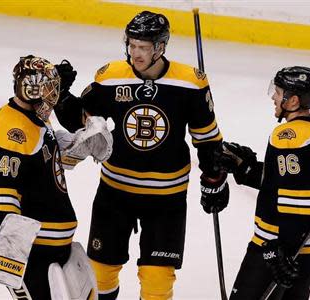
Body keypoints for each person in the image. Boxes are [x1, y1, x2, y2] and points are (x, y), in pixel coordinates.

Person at [54, 11, 229, 300]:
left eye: (143, 48)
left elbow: (207, 137)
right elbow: (82, 123)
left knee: (158, 281)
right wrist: (63, 97)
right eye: (132, 45)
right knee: (100, 273)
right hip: (115, 192)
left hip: (167, 198)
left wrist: (214, 176)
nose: (135, 53)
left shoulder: (190, 83)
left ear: (160, 47)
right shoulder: (109, 77)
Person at [0, 55, 100, 300]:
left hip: (52, 244)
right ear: (31, 91)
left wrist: (75, 147)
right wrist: (8, 241)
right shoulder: (17, 133)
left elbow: (42, 161)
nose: (53, 101)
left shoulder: (32, 120)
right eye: (50, 92)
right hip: (34, 250)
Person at [218, 66, 310, 300]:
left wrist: (279, 251)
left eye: (279, 92)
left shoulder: (287, 137)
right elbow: (290, 182)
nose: (274, 96)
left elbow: (296, 201)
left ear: (292, 100)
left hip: (280, 245)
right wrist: (248, 168)